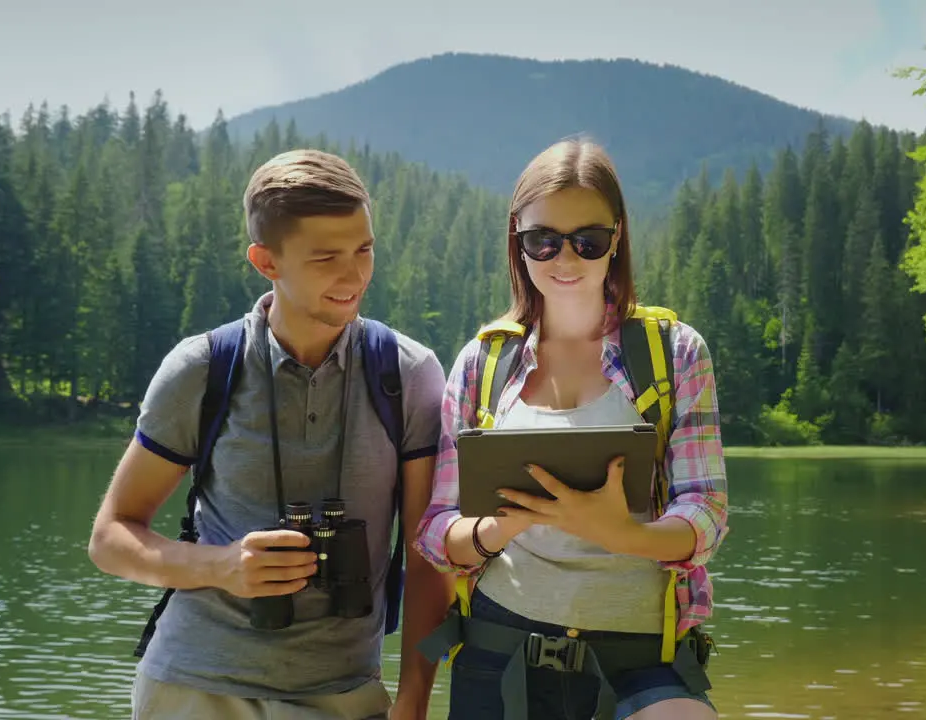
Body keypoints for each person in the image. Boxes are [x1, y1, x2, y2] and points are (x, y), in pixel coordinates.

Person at [88, 149, 452, 720]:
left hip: (345, 695)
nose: (354, 275)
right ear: (266, 261)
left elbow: (427, 556)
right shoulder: (202, 368)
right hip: (192, 688)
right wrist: (222, 566)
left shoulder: (407, 374)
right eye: (326, 256)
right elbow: (110, 538)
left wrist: (411, 705)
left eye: (364, 249)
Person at [413, 138, 729, 720]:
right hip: (497, 653)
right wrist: (497, 528)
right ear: (518, 240)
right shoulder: (482, 364)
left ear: (617, 239)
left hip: (640, 660)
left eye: (588, 241)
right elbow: (436, 533)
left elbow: (705, 515)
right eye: (542, 241)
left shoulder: (674, 353)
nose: (565, 260)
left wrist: (618, 532)